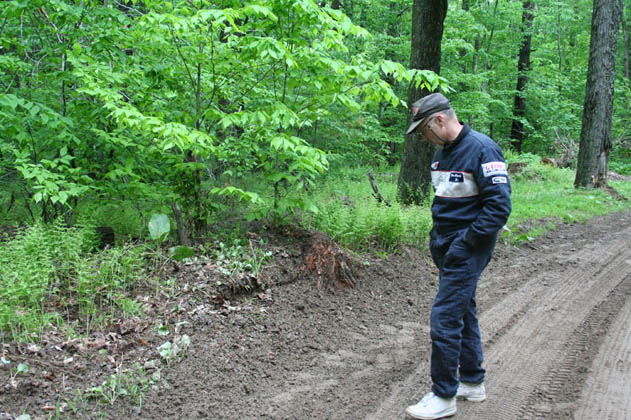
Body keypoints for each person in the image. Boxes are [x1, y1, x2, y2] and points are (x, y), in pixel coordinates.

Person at [404, 93, 512, 419]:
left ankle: (443, 395)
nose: (423, 137)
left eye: (424, 129)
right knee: (463, 310)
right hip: (447, 247)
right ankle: (472, 381)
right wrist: (438, 240)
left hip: (468, 248)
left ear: (439, 120)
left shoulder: (482, 149)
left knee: (444, 318)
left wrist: (465, 243)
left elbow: (499, 208)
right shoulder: (441, 155)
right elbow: (445, 203)